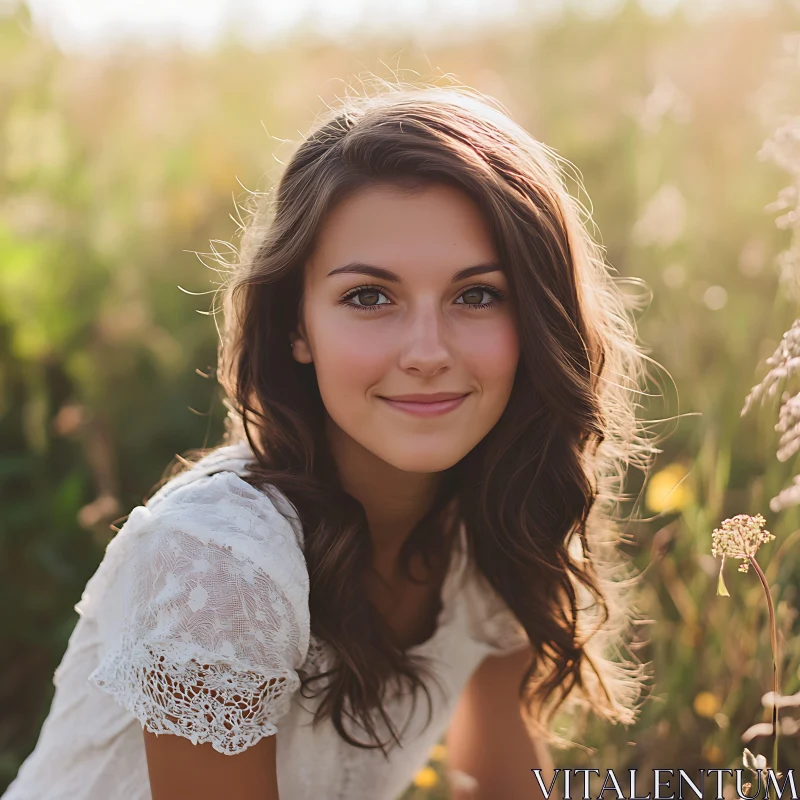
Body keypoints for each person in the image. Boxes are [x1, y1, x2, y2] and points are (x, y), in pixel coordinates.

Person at [2, 81, 656, 800]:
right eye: (369, 297)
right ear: (296, 327)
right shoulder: (218, 563)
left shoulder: (493, 521)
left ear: (538, 319)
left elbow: (498, 782)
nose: (427, 351)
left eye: (477, 295)